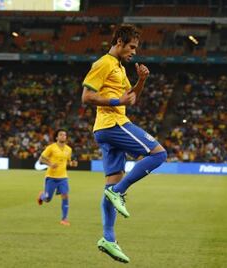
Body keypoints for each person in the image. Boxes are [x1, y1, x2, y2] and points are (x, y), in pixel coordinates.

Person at [81, 24, 167, 263]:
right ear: (119, 41)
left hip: (109, 126)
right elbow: (86, 97)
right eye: (131, 46)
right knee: (159, 154)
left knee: (110, 184)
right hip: (112, 124)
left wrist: (141, 81)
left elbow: (131, 98)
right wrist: (116, 99)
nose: (134, 52)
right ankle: (120, 192)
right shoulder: (103, 64)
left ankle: (108, 238)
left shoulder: (119, 67)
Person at [36, 129, 78, 226]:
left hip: (63, 177)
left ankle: (64, 219)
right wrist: (50, 164)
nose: (63, 136)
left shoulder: (69, 149)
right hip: (51, 177)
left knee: (65, 195)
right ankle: (42, 196)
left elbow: (68, 162)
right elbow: (41, 159)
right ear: (56, 137)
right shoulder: (51, 148)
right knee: (47, 199)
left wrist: (72, 163)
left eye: (65, 135)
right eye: (61, 135)